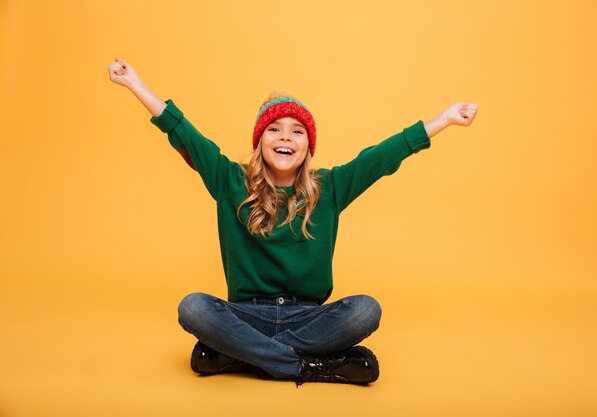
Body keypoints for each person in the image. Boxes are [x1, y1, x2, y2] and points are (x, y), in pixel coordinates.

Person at [108, 57, 478, 385]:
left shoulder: (330, 188)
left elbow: (382, 156)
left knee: (366, 309)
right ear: (260, 141)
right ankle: (305, 366)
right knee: (193, 307)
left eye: (297, 131)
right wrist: (135, 83)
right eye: (275, 129)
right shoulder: (229, 180)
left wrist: (443, 120)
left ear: (307, 147)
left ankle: (241, 356)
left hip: (309, 318)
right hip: (246, 315)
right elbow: (182, 132)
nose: (286, 136)